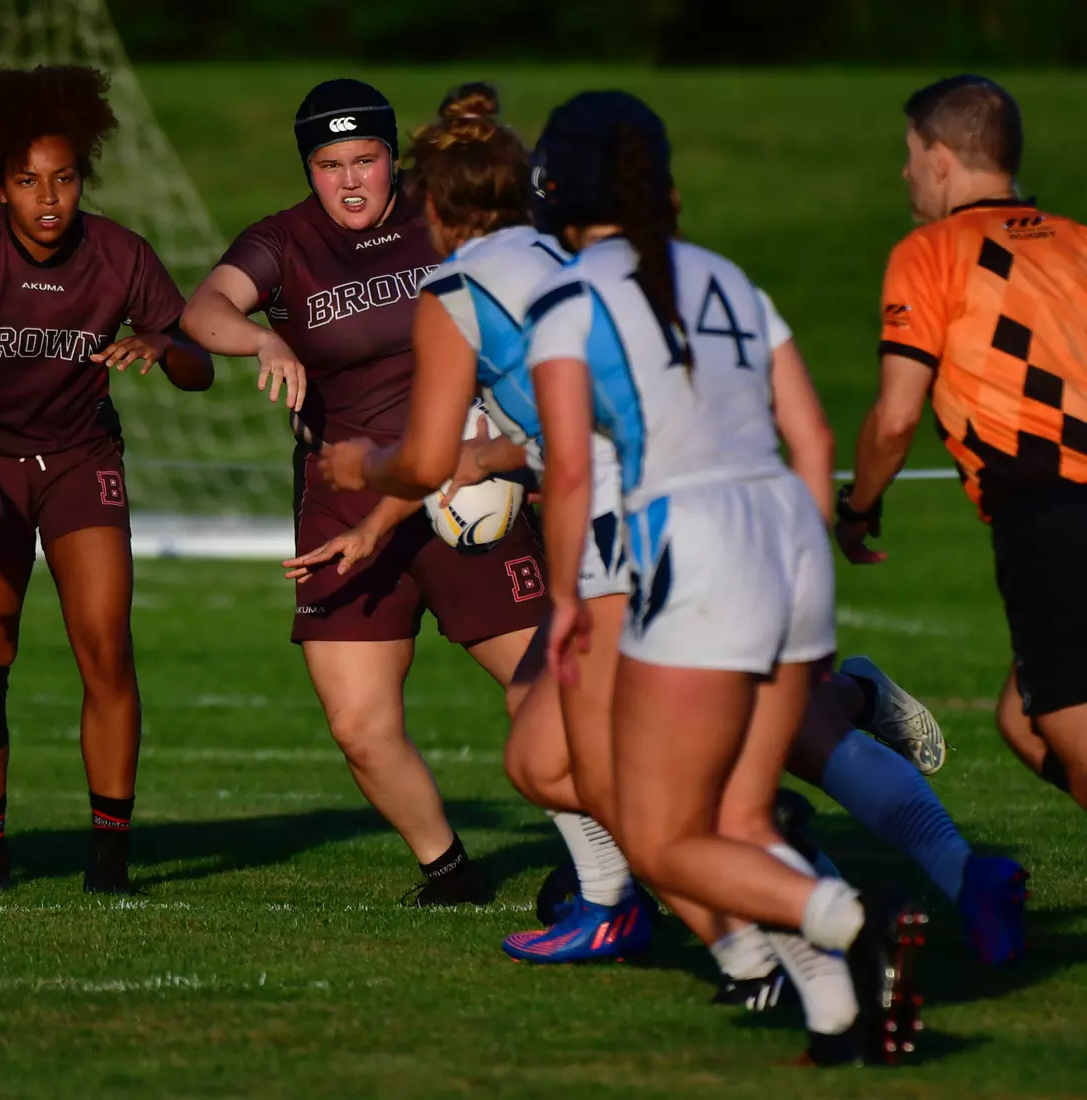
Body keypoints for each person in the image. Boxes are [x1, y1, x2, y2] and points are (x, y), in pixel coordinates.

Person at [323, 87, 1021, 984]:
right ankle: (950, 874)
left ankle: (778, 936)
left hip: (644, 534)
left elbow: (538, 454)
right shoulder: (668, 269)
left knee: (588, 767)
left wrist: (370, 470)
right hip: (762, 521)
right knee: (791, 736)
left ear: (435, 206)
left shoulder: (487, 289)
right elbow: (786, 430)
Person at [525, 91, 921, 1065]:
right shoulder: (731, 278)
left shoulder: (567, 300)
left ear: (555, 189)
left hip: (698, 542)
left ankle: (850, 916)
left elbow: (568, 471)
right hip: (790, 533)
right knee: (742, 817)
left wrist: (568, 599)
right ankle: (839, 1019)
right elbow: (813, 436)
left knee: (663, 838)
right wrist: (802, 554)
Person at [181, 79, 547, 905]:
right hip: (343, 493)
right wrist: (263, 339)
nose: (349, 181)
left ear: (394, 160)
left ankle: (624, 857)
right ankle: (449, 874)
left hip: (461, 484)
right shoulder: (284, 240)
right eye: (328, 164)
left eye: (366, 160)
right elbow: (204, 309)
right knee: (358, 725)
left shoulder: (438, 218)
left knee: (546, 697)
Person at [0, 65, 214, 895]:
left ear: (83, 178)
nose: (47, 199)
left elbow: (199, 368)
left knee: (105, 645)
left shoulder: (120, 254)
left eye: (63, 179)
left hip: (80, 463)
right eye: (28, 181)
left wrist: (164, 345)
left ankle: (110, 859)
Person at [841, 75, 1087, 832]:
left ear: (942, 160)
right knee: (1022, 720)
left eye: (912, 154)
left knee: (1068, 726)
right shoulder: (1077, 241)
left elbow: (894, 418)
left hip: (1052, 507)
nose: (906, 171)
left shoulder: (931, 252)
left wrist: (858, 506)